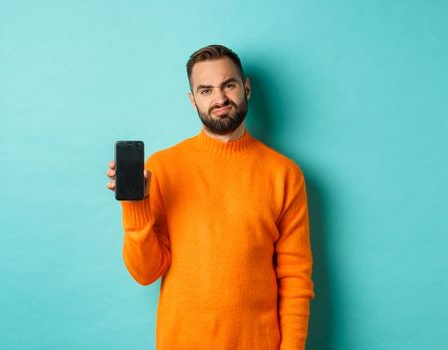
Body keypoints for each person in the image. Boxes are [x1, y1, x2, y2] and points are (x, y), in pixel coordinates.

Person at [105, 44, 315, 350]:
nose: (219, 99)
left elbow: (295, 279)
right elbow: (145, 273)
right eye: (205, 90)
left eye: (228, 85)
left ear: (246, 88)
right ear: (193, 101)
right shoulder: (163, 168)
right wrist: (135, 206)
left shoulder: (284, 174)